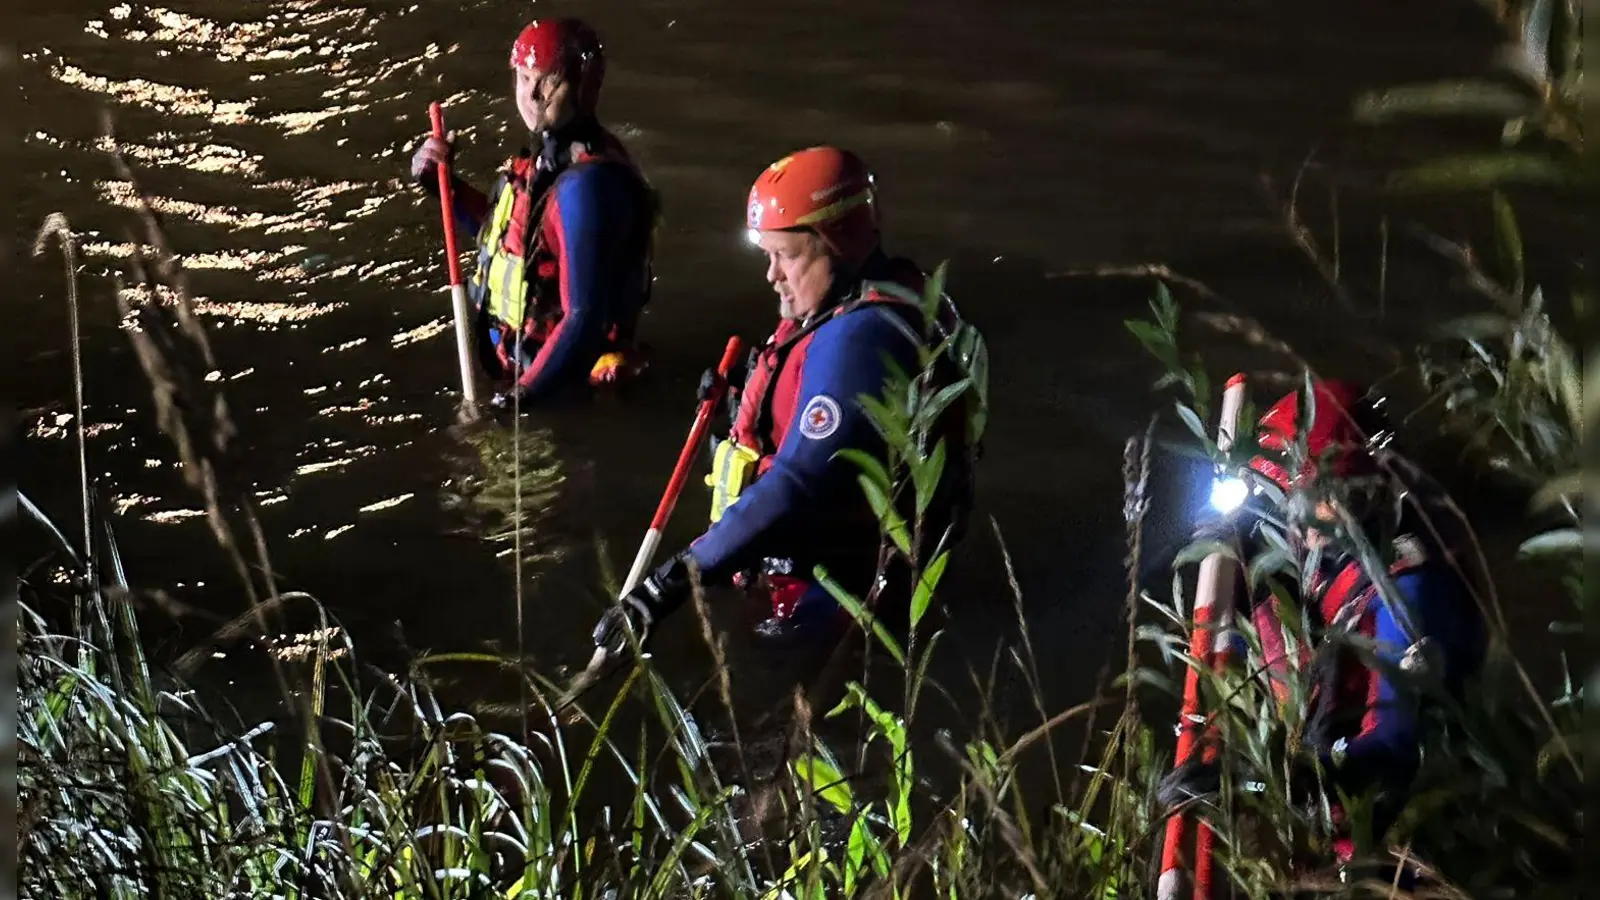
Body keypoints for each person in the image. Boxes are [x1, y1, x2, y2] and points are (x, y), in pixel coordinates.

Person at [591, 146, 979, 660]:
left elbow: (798, 482)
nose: (771, 275)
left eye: (786, 256)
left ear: (837, 244)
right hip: (791, 566)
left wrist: (665, 586)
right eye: (767, 255)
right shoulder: (847, 303)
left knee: (759, 711)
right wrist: (738, 407)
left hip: (827, 597)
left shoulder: (860, 338)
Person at [1162, 379, 1488, 877]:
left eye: (1306, 497)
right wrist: (1226, 555)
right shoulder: (1329, 580)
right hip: (1336, 867)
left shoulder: (1412, 590)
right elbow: (1280, 651)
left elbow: (1393, 752)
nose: (1292, 519)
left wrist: (1252, 780)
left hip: (1410, 871)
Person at [410, 17, 656, 407]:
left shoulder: (586, 186)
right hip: (521, 374)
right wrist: (443, 187)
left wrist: (522, 398)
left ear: (583, 87)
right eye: (524, 79)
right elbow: (511, 243)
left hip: (561, 392)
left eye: (549, 81)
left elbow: (584, 318)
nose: (533, 95)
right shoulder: (548, 162)